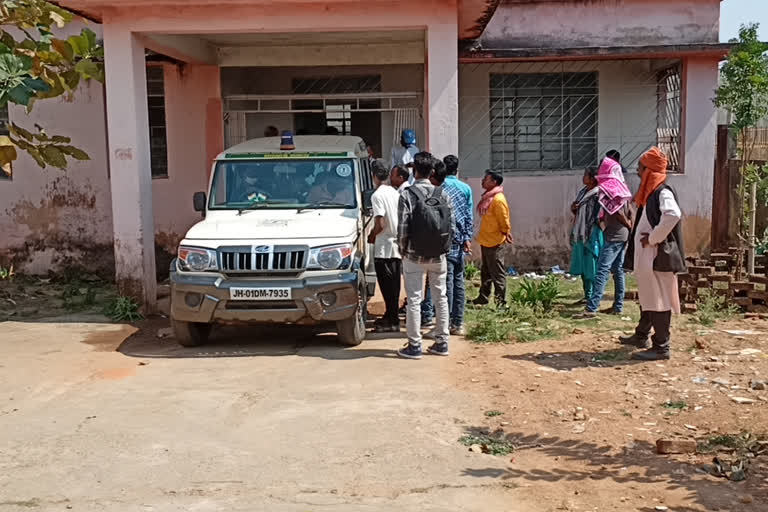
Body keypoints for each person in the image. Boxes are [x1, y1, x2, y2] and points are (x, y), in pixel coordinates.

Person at [620, 147, 686, 361]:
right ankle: (641, 335)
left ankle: (661, 347)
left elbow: (673, 215)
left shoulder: (662, 192)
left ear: (649, 170)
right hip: (649, 256)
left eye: (640, 167)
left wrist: (653, 238)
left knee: (659, 299)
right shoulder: (651, 193)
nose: (637, 171)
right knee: (649, 296)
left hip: (658, 255)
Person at [396, 152, 455, 359]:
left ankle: (414, 345)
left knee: (413, 299)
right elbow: (452, 226)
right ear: (432, 171)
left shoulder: (407, 195)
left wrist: (402, 250)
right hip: (439, 256)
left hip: (414, 256)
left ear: (414, 171)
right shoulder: (443, 194)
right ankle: (442, 342)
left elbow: (403, 228)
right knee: (441, 297)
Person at [367, 159, 402, 333]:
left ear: (374, 176)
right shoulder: (395, 193)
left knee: (386, 285)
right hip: (397, 245)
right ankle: (391, 315)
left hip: (384, 246)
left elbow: (379, 223)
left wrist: (372, 235)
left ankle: (392, 319)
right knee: (394, 285)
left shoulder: (377, 195)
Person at [441, 154, 473, 334]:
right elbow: (469, 216)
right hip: (461, 239)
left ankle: (445, 324)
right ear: (457, 169)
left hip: (445, 240)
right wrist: (468, 237)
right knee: (459, 281)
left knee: (447, 282)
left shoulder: (440, 188)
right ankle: (458, 323)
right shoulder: (465, 188)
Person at [471, 170, 511, 308]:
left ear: (494, 182)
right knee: (486, 271)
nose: (482, 181)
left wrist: (506, 232)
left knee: (497, 273)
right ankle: (483, 297)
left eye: (486, 179)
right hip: (486, 239)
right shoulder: (488, 198)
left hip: (495, 240)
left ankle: (501, 302)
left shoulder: (498, 199)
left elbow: (504, 219)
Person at [569, 166, 603, 304]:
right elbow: (578, 210)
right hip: (580, 233)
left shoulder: (597, 194)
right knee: (583, 266)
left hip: (591, 233)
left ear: (593, 178)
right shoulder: (583, 192)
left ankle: (595, 296)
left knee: (592, 265)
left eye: (586, 175)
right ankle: (587, 294)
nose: (583, 177)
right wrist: (574, 208)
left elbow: (598, 215)